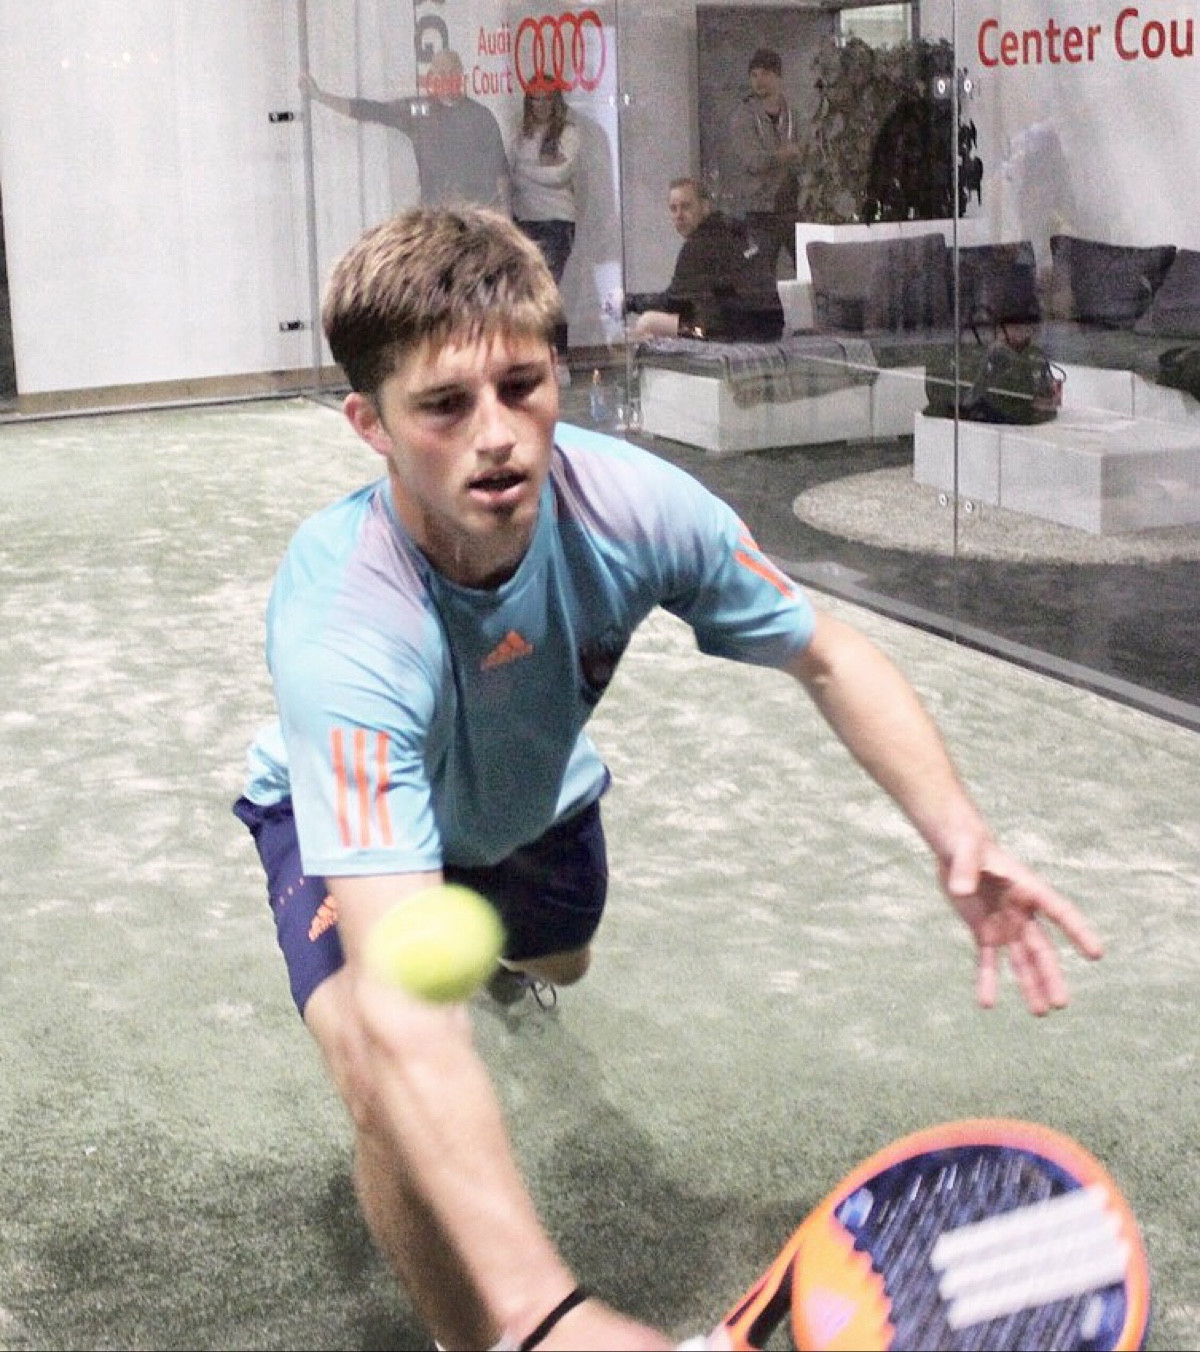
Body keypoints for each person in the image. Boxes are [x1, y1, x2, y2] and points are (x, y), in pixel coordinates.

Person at [232, 204, 1105, 1351]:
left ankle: (511, 956)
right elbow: (400, 1011)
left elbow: (829, 652)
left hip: (532, 802)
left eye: (522, 385)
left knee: (561, 957)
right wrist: (542, 1314)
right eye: (443, 405)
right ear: (371, 423)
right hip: (340, 823)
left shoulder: (637, 506)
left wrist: (959, 831)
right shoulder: (347, 625)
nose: (497, 434)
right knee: (381, 1069)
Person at [299, 49, 510, 212]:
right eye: (442, 73)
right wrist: (320, 96)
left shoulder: (481, 117)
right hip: (436, 220)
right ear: (432, 77)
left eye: (453, 72)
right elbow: (371, 110)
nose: (448, 78)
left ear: (462, 75)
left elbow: (501, 175)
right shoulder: (420, 112)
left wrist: (505, 225)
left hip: (476, 218)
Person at [624, 176, 785, 342]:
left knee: (648, 322)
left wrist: (631, 302)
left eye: (686, 206)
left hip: (732, 334)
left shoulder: (700, 244)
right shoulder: (732, 229)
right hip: (770, 331)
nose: (679, 215)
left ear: (705, 206)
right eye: (673, 209)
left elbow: (672, 303)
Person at [510, 86, 581, 386]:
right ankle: (536, 360)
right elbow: (510, 173)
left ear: (556, 101)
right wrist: (536, 169)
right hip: (525, 219)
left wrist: (524, 171)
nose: (540, 105)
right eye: (535, 99)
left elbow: (559, 175)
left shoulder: (568, 133)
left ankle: (560, 360)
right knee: (528, 295)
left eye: (546, 98)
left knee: (548, 291)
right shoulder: (521, 134)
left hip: (556, 221)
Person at [724, 47, 804, 278]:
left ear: (778, 77)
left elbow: (807, 153)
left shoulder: (795, 115)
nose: (759, 80)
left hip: (793, 207)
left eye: (766, 74)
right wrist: (785, 154)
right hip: (760, 210)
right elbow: (753, 161)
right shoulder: (743, 117)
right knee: (760, 274)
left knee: (807, 267)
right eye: (754, 75)